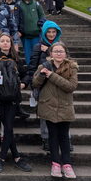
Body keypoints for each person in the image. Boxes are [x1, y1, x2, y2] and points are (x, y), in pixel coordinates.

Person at [0, 34, 31, 174]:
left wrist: (23, 84)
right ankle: (16, 157)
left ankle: (2, 159)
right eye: (2, 41)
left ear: (11, 44)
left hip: (12, 99)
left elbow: (26, 74)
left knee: (9, 128)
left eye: (7, 41)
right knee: (9, 129)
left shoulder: (15, 59)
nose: (5, 43)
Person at [33, 42, 78, 179]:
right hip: (48, 105)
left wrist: (51, 75)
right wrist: (42, 75)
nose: (58, 53)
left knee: (64, 136)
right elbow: (35, 83)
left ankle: (67, 164)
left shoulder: (71, 67)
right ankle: (55, 163)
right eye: (56, 51)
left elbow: (71, 86)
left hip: (64, 106)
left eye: (61, 51)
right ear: (51, 54)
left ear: (65, 53)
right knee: (52, 135)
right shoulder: (43, 66)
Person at [27, 20, 64, 151]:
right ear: (44, 33)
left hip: (58, 85)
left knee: (61, 114)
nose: (51, 34)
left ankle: (63, 139)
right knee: (44, 114)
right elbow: (32, 66)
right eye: (49, 32)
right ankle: (46, 138)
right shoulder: (38, 46)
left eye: (54, 32)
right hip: (43, 85)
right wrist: (33, 83)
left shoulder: (60, 46)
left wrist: (49, 51)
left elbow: (66, 64)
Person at [18, 0, 46, 64]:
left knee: (37, 52)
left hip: (36, 33)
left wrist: (40, 23)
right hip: (25, 34)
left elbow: (42, 15)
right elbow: (16, 18)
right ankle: (29, 69)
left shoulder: (36, 4)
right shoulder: (19, 4)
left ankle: (37, 68)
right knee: (27, 53)